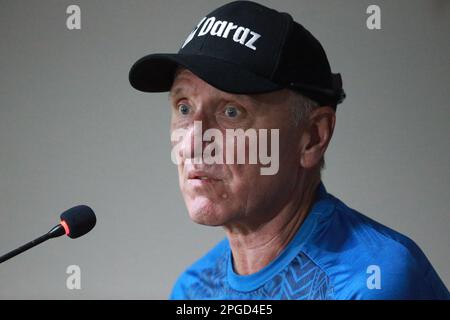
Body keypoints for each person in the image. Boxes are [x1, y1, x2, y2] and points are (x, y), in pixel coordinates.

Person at [129, 1, 449, 299]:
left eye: (231, 112)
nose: (192, 144)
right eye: (183, 108)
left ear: (312, 137)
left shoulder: (371, 282)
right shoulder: (193, 289)